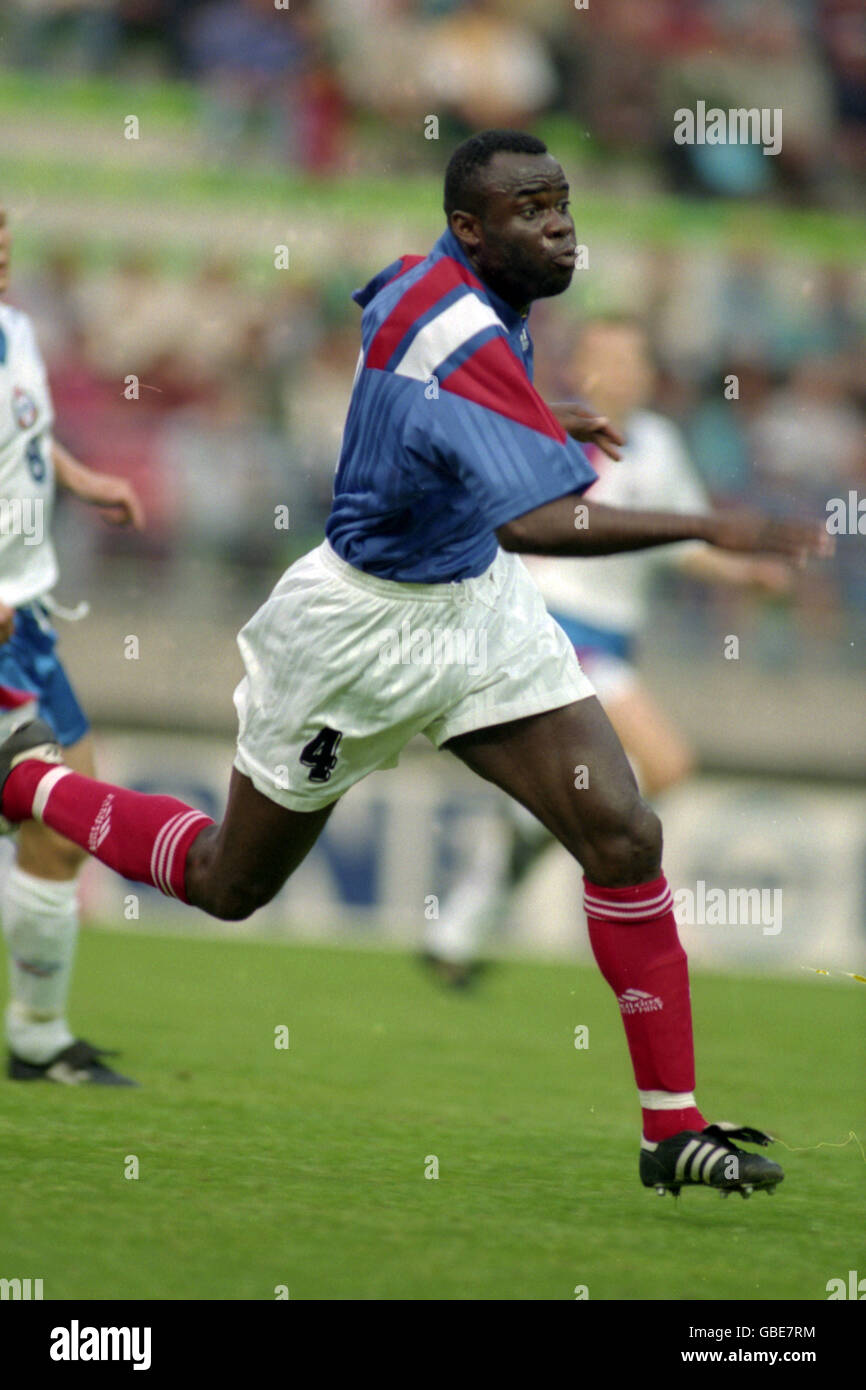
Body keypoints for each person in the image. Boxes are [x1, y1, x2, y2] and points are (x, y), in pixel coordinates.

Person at [0, 133, 831, 1195]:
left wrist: (523, 415)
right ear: (470, 230)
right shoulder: (455, 325)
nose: (560, 225)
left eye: (562, 203)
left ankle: (671, 1126)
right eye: (531, 211)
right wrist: (711, 527)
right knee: (227, 883)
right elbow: (536, 518)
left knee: (622, 831)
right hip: (357, 634)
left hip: (473, 608)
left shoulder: (437, 284)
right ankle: (26, 779)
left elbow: (394, 333)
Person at [421, 315, 794, 984]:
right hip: (550, 628)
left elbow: (680, 542)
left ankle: (464, 924)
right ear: (583, 366)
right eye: (611, 356)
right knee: (668, 764)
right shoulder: (543, 429)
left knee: (569, 800)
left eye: (635, 357)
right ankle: (530, 831)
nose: (625, 370)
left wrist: (746, 572)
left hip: (610, 640)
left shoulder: (658, 444)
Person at [0, 208, 145, 1085]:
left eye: (5, 234)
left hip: (32, 618)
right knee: (51, 810)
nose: (2, 250)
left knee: (68, 823)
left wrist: (80, 478)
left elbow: (23, 436)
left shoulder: (16, 328)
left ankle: (37, 1034)